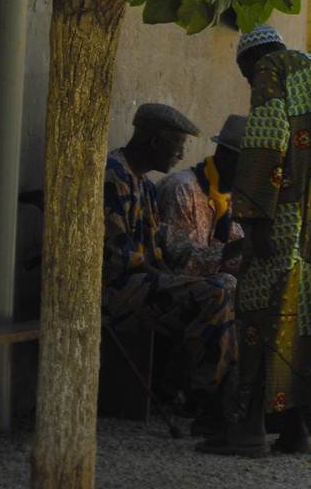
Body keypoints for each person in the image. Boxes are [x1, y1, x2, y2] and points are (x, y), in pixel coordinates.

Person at [197, 26, 311, 457]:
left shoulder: (270, 68)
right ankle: (296, 429)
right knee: (308, 321)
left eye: (245, 75)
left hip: (284, 221)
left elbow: (266, 143)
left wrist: (256, 219)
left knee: (262, 317)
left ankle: (249, 429)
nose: (250, 84)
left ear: (251, 61)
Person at [102, 103, 237, 426]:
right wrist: (178, 283)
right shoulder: (113, 176)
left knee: (219, 288)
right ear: (155, 141)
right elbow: (122, 259)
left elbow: (156, 256)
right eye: (179, 144)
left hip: (139, 284)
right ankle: (207, 403)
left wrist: (177, 282)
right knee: (213, 293)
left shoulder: (145, 185)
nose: (181, 154)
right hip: (112, 289)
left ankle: (219, 398)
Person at [157, 114, 246, 294]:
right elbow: (181, 262)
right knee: (226, 285)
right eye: (249, 167)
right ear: (226, 157)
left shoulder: (224, 196)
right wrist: (244, 244)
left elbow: (232, 259)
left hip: (199, 285)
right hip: (166, 283)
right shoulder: (182, 188)